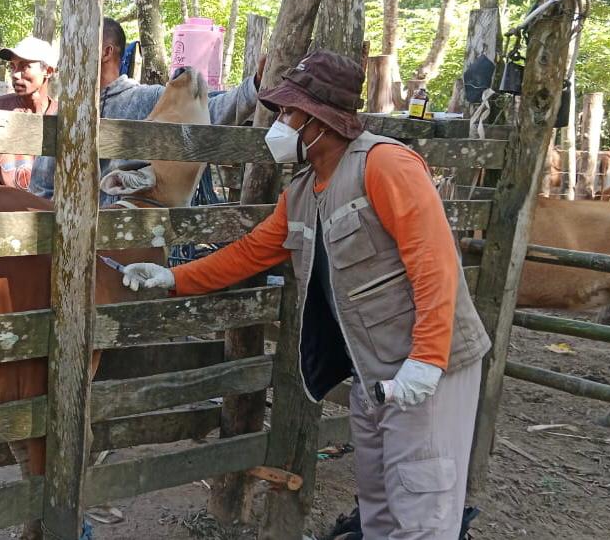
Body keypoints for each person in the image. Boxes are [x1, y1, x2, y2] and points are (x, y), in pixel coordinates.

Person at [120, 50, 491, 540]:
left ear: (320, 119)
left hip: (428, 371)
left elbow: (435, 263)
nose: (280, 123)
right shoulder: (303, 190)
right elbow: (251, 252)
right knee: (378, 504)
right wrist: (175, 278)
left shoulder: (386, 165)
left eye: (291, 113)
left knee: (423, 510)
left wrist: (427, 359)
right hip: (373, 370)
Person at [28, 17, 261, 204]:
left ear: (105, 52)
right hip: (68, 240)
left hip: (129, 237)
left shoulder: (148, 98)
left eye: (78, 47)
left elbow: (209, 111)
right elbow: (42, 186)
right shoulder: (65, 112)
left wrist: (256, 85)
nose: (68, 58)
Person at [0, 36, 58, 190]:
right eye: (13, 67)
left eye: (24, 67)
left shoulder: (61, 116)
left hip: (43, 209)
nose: (15, 75)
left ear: (48, 71)